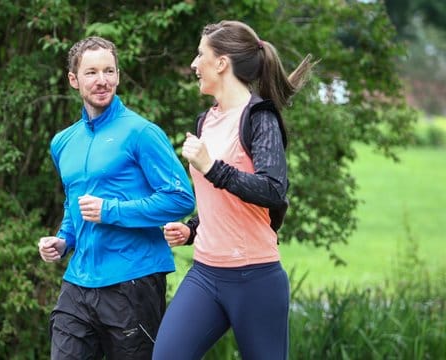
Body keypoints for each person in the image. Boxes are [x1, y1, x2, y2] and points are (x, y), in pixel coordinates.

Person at [152, 20, 317, 360]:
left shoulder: (259, 118)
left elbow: (273, 190)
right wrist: (192, 229)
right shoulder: (207, 120)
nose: (194, 65)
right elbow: (221, 201)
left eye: (201, 55)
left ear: (222, 63)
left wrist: (212, 167)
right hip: (205, 274)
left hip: (255, 278)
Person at [38, 36, 196, 359]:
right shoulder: (63, 142)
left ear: (118, 76)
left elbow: (181, 197)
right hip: (79, 281)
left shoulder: (141, 133)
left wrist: (111, 210)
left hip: (133, 282)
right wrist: (64, 239)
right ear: (73, 80)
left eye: (109, 71)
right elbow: (74, 202)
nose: (102, 81)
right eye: (92, 72)